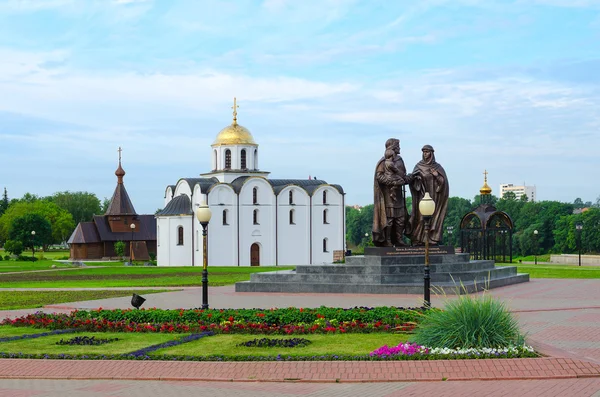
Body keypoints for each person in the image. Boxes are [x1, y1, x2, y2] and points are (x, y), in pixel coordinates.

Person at [372, 138, 412, 247]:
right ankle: (387, 240)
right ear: (393, 147)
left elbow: (403, 176)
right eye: (398, 145)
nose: (399, 147)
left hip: (398, 195)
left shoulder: (400, 160)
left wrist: (409, 178)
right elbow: (379, 176)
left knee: (401, 219)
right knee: (389, 219)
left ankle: (399, 239)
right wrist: (391, 181)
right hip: (387, 196)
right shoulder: (383, 162)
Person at [409, 145, 449, 245]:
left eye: (427, 152)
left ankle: (431, 239)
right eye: (424, 152)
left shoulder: (438, 167)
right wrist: (416, 180)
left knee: (433, 217)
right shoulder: (418, 166)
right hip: (421, 197)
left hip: (434, 198)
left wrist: (437, 176)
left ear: (431, 153)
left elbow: (443, 183)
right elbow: (413, 180)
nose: (425, 154)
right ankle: (418, 239)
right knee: (421, 218)